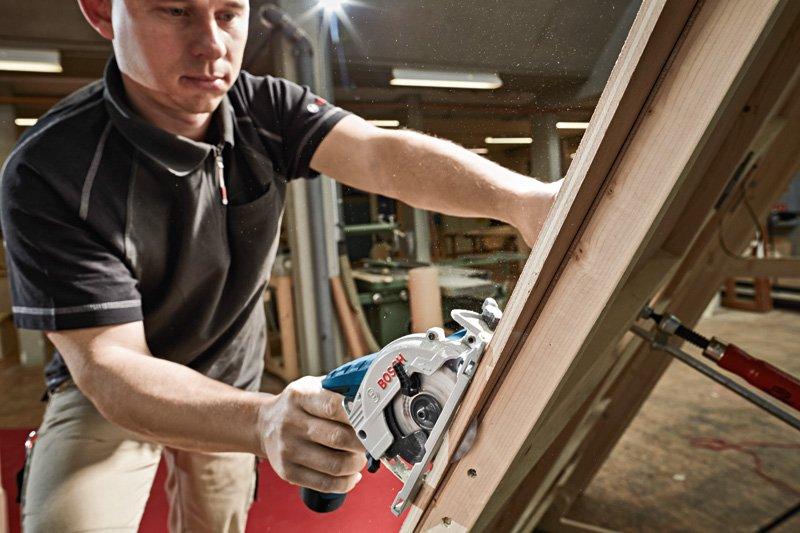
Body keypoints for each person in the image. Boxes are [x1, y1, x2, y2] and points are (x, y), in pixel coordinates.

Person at [0, 0, 561, 531]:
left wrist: (524, 202)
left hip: (228, 379)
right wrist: (261, 420)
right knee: (68, 521)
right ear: (102, 10)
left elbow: (377, 154)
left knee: (216, 520)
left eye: (228, 13)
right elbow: (109, 363)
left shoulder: (262, 108)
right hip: (113, 392)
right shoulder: (50, 167)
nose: (211, 45)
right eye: (175, 10)